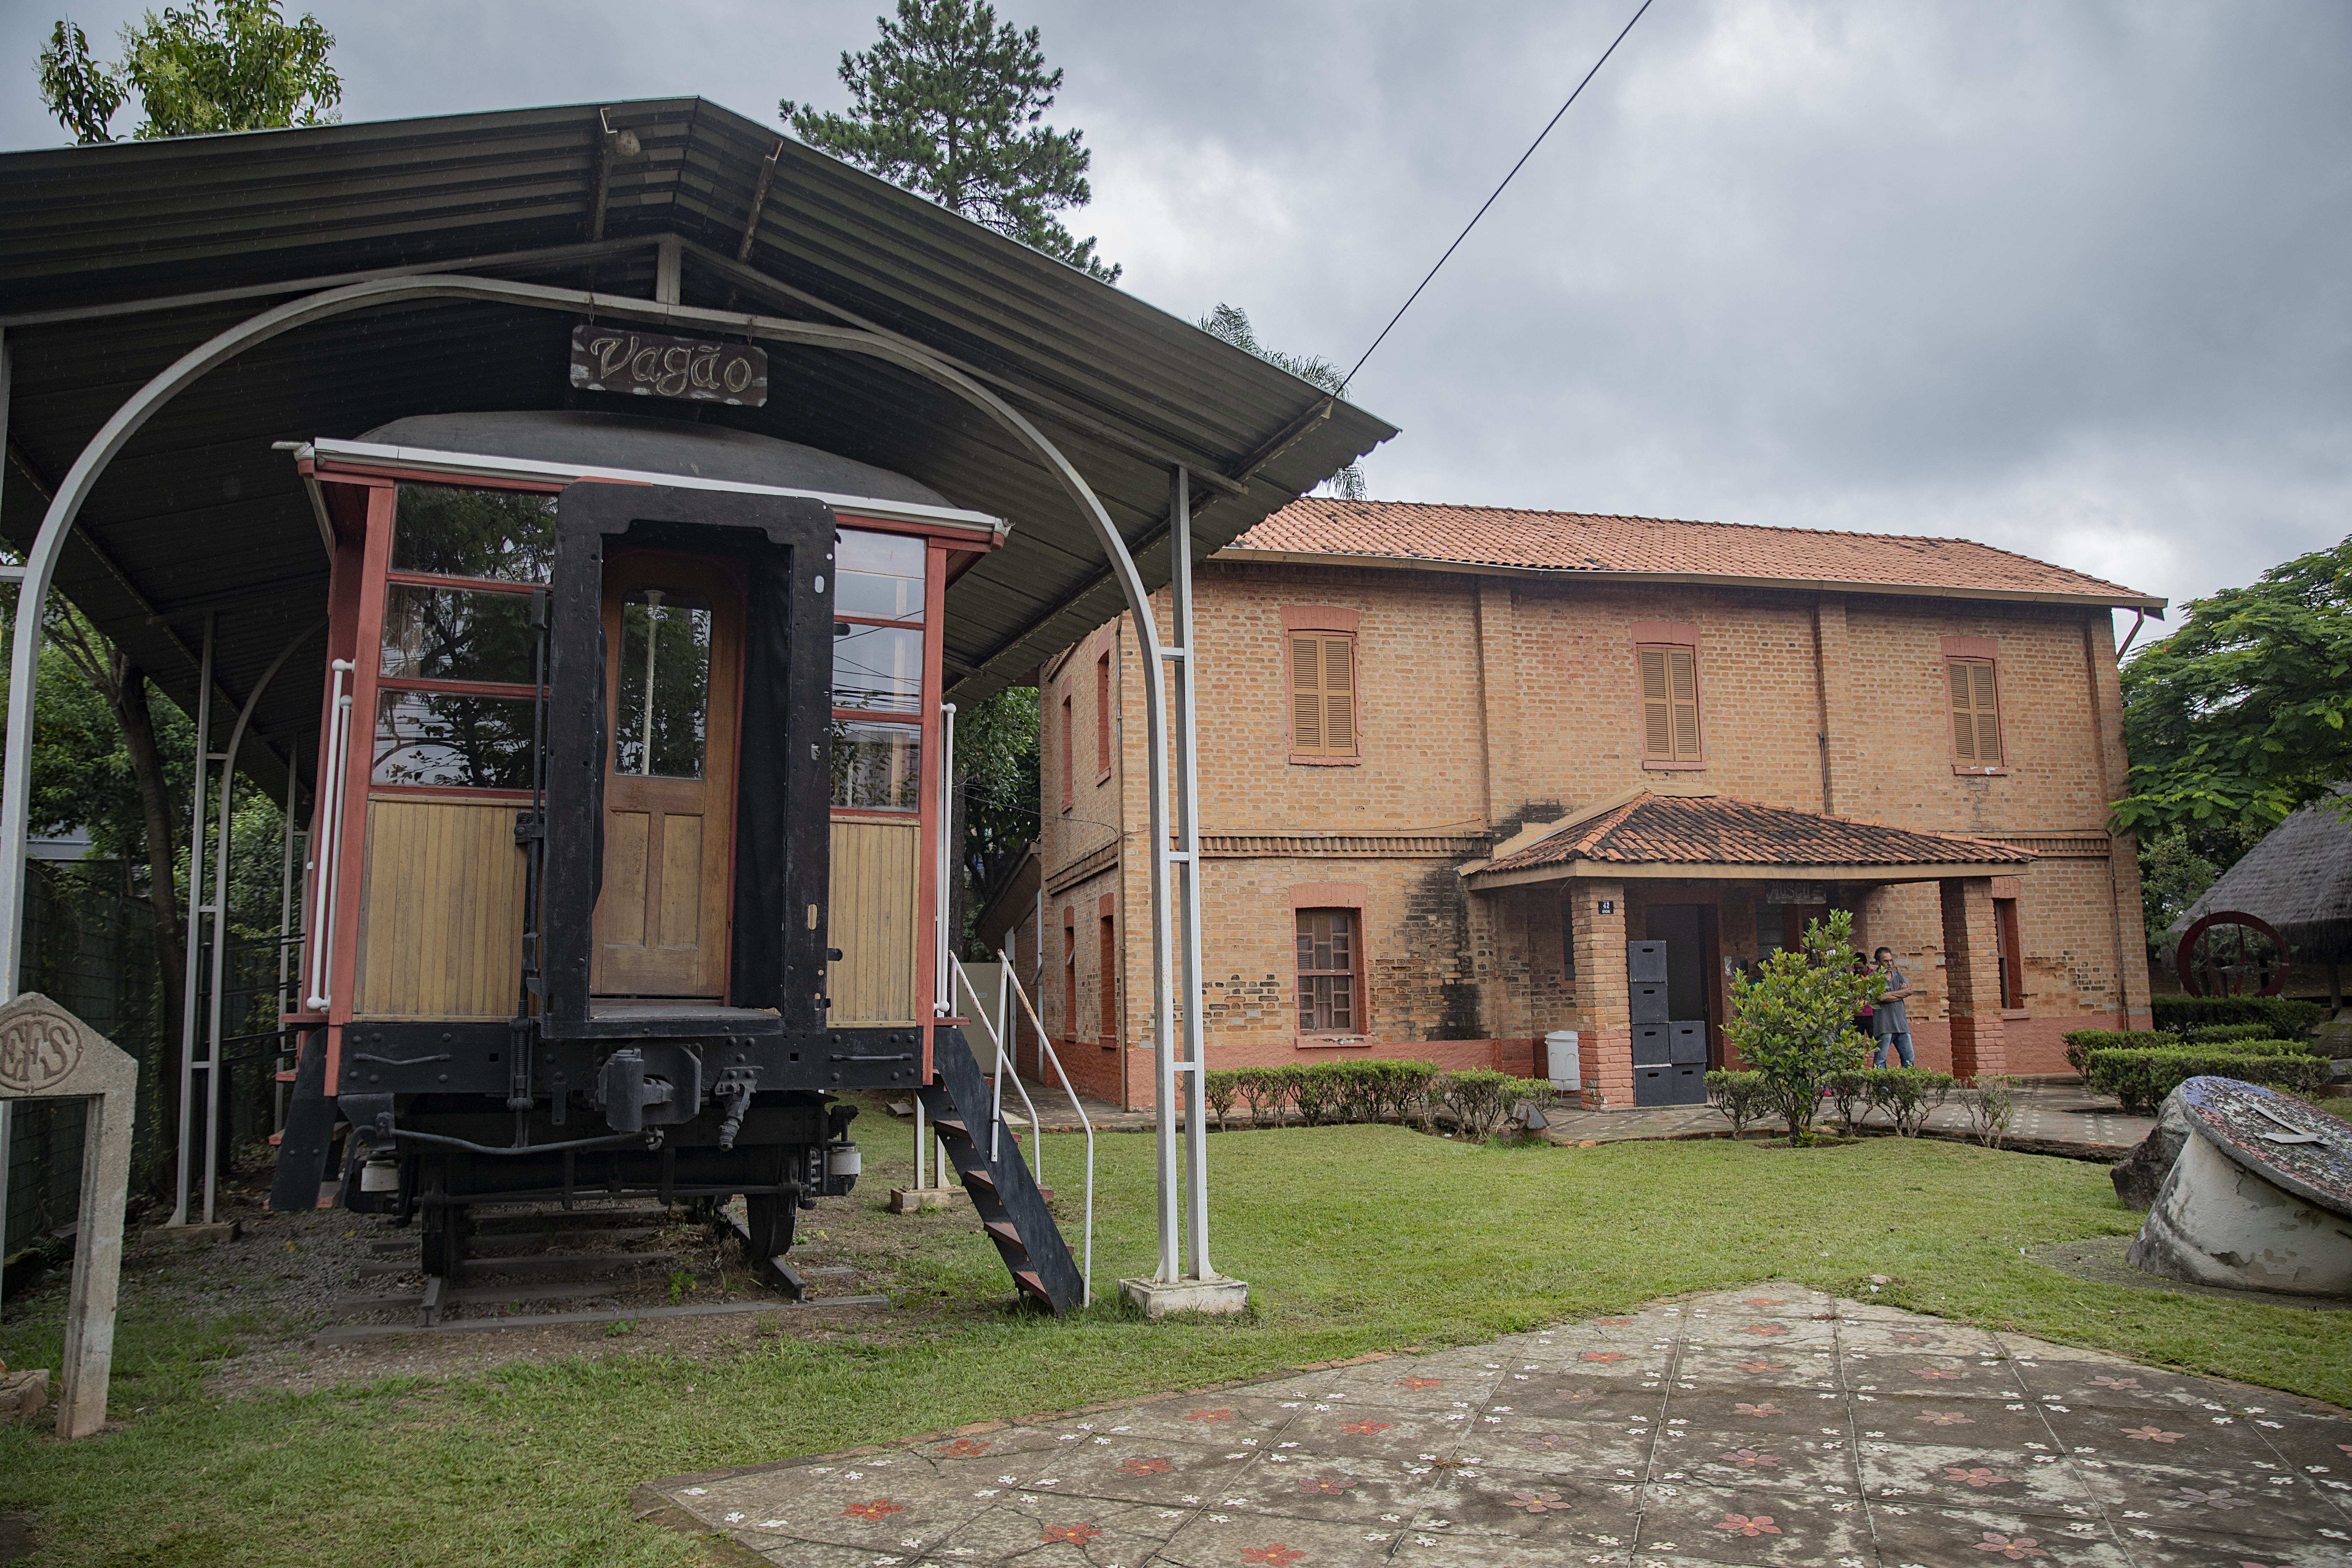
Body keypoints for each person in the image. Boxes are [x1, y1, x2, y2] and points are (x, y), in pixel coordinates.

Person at [1870, 946, 1914, 1068]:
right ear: (1878, 962)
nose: (1890, 964)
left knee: (1909, 1057)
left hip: (1902, 1025)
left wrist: (1888, 995)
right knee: (1881, 1060)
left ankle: (1908, 1086)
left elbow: (1909, 991)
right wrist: (1900, 995)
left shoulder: (1898, 975)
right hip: (1884, 1026)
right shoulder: (1873, 978)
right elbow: (1880, 998)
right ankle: (1882, 1088)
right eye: (1886, 961)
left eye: (1891, 961)